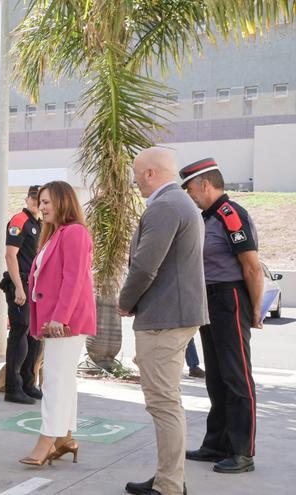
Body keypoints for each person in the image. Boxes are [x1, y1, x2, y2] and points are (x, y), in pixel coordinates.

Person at [118, 148, 208, 495]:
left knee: (163, 402)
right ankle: (168, 477)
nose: (135, 180)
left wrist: (126, 302)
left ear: (152, 173)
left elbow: (145, 265)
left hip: (164, 317)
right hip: (173, 314)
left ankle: (169, 485)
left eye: (137, 174)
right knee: (166, 400)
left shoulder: (166, 206)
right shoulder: (179, 203)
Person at [180, 158, 261, 474]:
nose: (189, 195)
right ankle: (216, 443)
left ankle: (243, 451)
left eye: (190, 189)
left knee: (237, 376)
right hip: (209, 301)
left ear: (204, 185)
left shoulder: (231, 215)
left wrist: (255, 309)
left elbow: (251, 266)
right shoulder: (206, 218)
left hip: (230, 299)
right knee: (216, 376)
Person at [18, 181, 96, 467]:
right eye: (41, 202)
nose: (42, 207)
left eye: (48, 202)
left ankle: (47, 439)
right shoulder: (56, 234)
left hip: (66, 322)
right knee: (63, 380)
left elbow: (74, 280)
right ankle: (65, 439)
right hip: (57, 322)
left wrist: (59, 318)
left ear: (64, 202)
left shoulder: (74, 233)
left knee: (53, 381)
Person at [0, 185, 44, 404]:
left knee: (33, 335)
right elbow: (10, 256)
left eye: (41, 198)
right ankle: (12, 388)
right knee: (20, 333)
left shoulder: (41, 223)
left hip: (35, 286)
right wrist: (18, 286)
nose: (37, 202)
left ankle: (28, 383)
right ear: (27, 199)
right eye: (34, 198)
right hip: (21, 283)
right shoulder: (19, 220)